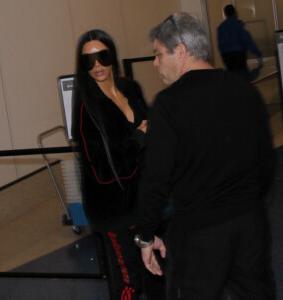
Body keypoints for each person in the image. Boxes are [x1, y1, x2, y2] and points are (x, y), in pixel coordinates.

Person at [134, 12, 275, 299]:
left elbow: (156, 178)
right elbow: (266, 161)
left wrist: (146, 235)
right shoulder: (244, 91)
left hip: (200, 232)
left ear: (181, 52)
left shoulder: (168, 104)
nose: (155, 63)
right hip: (250, 224)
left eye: (159, 54)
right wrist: (243, 200)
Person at [71, 29, 165, 299]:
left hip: (145, 200)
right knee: (128, 282)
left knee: (156, 274)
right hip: (114, 211)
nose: (97, 65)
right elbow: (100, 169)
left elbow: (152, 134)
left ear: (112, 56)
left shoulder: (130, 88)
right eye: (89, 60)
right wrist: (137, 139)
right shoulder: (85, 109)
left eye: (102, 56)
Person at [217, 4, 263, 75]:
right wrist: (257, 53)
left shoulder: (220, 27)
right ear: (235, 12)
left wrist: (224, 57)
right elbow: (247, 40)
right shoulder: (238, 25)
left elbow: (220, 45)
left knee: (234, 77)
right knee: (243, 77)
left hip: (227, 57)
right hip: (239, 55)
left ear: (225, 14)